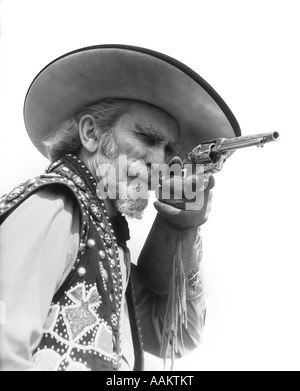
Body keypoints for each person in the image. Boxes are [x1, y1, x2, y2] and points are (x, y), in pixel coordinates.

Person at [0, 45, 241, 371]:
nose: (160, 160)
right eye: (147, 138)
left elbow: (177, 335)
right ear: (90, 133)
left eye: (167, 148)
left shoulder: (107, 245)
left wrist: (180, 225)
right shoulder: (53, 208)